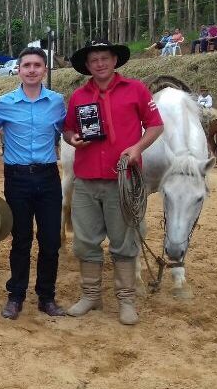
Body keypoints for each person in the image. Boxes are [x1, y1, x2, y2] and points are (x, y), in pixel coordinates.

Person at [64, 39, 163, 325]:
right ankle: (91, 296)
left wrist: (137, 148)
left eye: (105, 58)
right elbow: (68, 129)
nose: (100, 64)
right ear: (87, 65)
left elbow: (156, 125)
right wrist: (73, 139)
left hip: (123, 179)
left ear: (114, 60)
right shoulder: (78, 96)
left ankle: (126, 299)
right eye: (94, 60)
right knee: (85, 241)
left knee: (124, 241)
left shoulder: (137, 90)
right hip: (85, 181)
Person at [0, 47, 67, 320]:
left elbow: (69, 131)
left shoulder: (58, 102)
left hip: (48, 177)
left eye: (37, 65)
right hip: (17, 178)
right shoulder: (3, 103)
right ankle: (16, 295)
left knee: (50, 240)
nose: (32, 70)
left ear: (45, 69)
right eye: (26, 65)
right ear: (18, 70)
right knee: (20, 239)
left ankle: (47, 296)